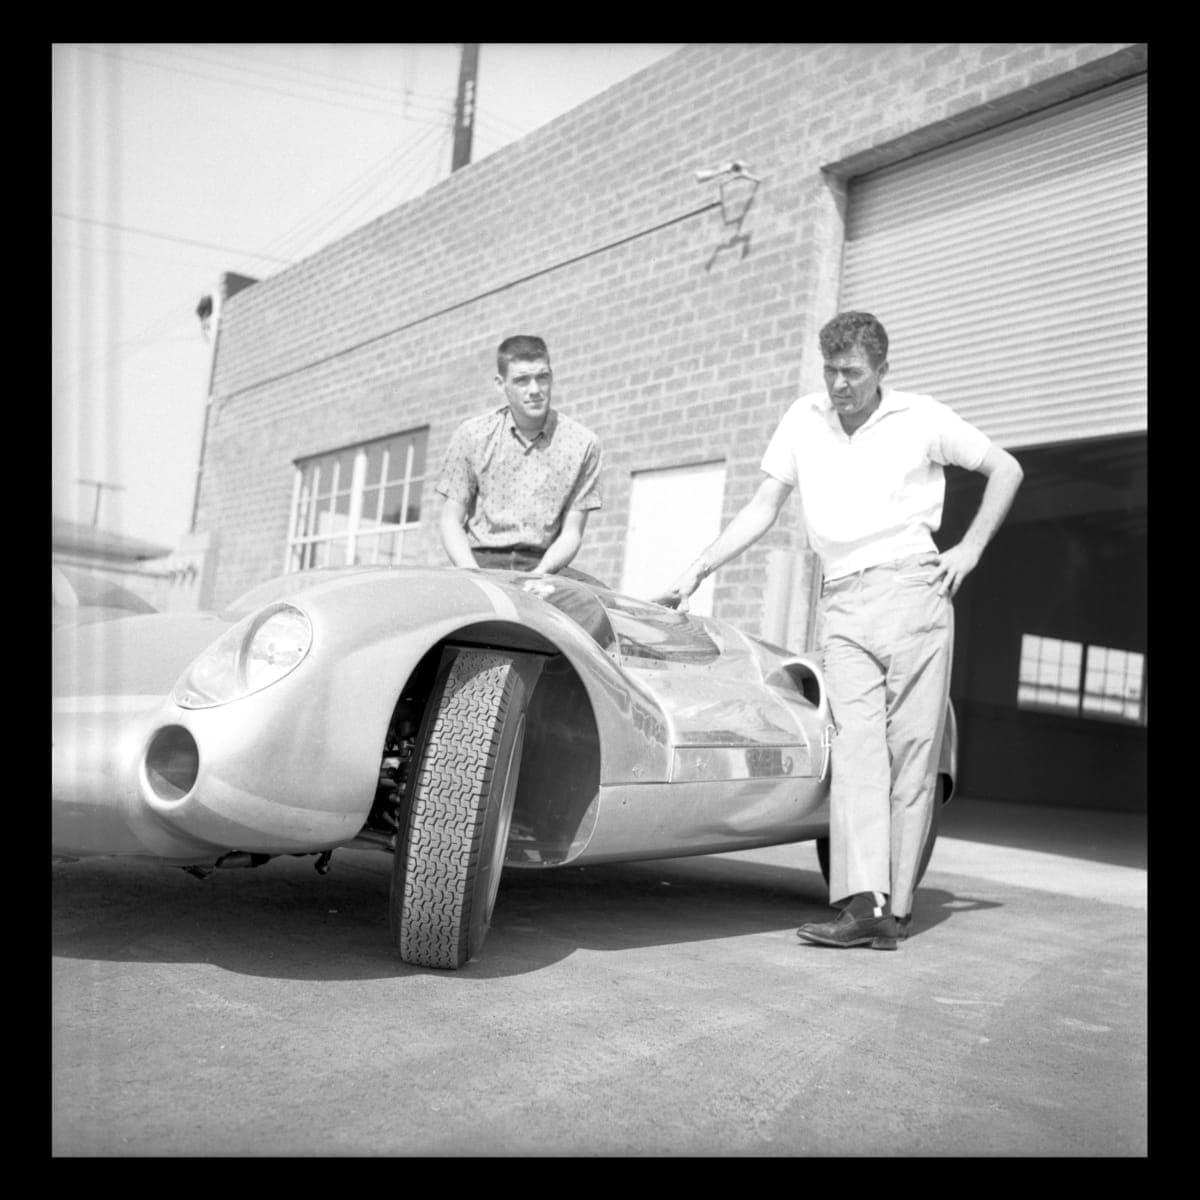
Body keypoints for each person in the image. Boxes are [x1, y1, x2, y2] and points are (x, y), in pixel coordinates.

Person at [653, 311, 1023, 950]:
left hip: (914, 590)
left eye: (852, 371)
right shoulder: (804, 419)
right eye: (830, 369)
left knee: (913, 750)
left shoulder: (921, 418)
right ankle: (863, 905)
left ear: (883, 369)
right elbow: (763, 506)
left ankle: (896, 908)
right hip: (845, 601)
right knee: (856, 751)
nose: (839, 383)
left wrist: (970, 549)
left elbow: (1006, 469)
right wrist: (696, 569)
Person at [437, 334, 603, 583]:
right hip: (479, 562)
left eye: (542, 377)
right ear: (500, 384)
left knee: (597, 610)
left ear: (552, 377)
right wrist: (474, 575)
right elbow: (450, 519)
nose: (535, 390)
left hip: (544, 566)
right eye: (522, 380)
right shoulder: (473, 435)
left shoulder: (583, 444)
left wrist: (539, 575)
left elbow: (572, 532)